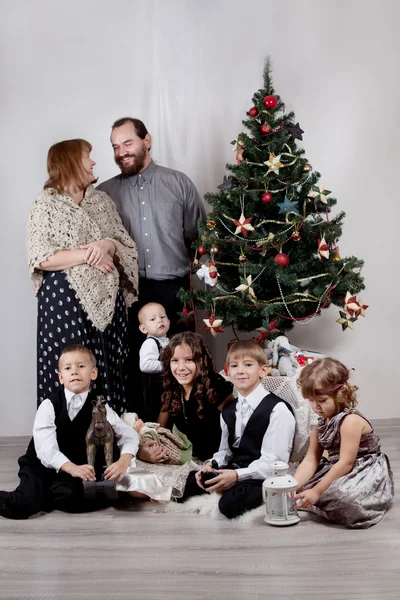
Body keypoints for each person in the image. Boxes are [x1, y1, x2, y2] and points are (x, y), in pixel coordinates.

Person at [27, 139, 138, 414]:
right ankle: (64, 440)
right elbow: (41, 257)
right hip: (63, 304)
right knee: (70, 366)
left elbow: (123, 245)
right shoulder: (45, 206)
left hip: (107, 302)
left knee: (104, 366)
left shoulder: (101, 201)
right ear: (70, 162)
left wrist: (107, 246)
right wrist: (88, 254)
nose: (93, 162)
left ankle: (109, 439)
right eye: (88, 156)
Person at [0, 345, 140, 519]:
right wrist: (71, 468)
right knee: (23, 504)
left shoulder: (100, 406)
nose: (74, 372)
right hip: (42, 464)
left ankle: (50, 491)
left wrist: (124, 461)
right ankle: (39, 491)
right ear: (61, 377)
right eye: (68, 368)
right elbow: (46, 449)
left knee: (76, 498)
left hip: (77, 464)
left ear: (93, 373)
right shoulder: (49, 405)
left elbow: (128, 435)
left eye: (81, 366)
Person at [97, 117, 206, 332]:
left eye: (128, 144)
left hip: (175, 291)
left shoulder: (179, 183)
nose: (121, 153)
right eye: (115, 147)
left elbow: (197, 235)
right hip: (126, 292)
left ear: (147, 140)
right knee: (132, 363)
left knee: (182, 359)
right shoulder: (104, 193)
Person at [183, 340, 296, 520]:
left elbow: (274, 462)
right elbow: (225, 451)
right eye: (234, 366)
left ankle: (241, 491)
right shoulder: (228, 410)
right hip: (237, 468)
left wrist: (237, 476)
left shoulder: (277, 409)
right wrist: (212, 464)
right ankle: (224, 484)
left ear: (263, 370)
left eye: (248, 365)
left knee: (229, 504)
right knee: (190, 483)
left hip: (262, 474)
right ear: (228, 372)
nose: (240, 371)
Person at [294, 358, 394, 529]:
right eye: (311, 401)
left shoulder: (350, 421)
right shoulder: (319, 424)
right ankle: (310, 495)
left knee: (347, 500)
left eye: (322, 400)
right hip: (337, 466)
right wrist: (292, 487)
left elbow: (346, 462)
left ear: (340, 394)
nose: (316, 406)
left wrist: (317, 491)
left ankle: (319, 498)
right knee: (299, 486)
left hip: (363, 468)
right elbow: (311, 459)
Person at [139, 332, 234, 465]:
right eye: (175, 360)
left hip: (219, 462)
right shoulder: (172, 388)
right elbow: (159, 430)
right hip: (192, 459)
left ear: (201, 361)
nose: (181, 368)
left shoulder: (215, 386)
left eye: (189, 360)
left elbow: (237, 431)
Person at [122, 412, 192, 465]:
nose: (140, 419)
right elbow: (148, 441)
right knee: (175, 453)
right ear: (134, 426)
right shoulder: (145, 433)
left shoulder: (147, 426)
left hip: (165, 438)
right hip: (164, 445)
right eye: (136, 420)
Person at [138, 302, 170, 421]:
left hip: (167, 386)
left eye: (163, 317)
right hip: (157, 389)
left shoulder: (167, 341)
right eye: (153, 319)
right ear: (143, 328)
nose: (159, 321)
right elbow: (145, 365)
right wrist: (167, 365)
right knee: (159, 413)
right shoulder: (150, 343)